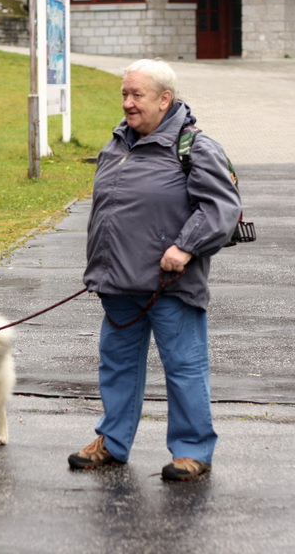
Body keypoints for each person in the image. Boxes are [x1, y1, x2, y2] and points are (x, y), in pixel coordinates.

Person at [69, 59, 242, 481]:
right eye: (124, 94)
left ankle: (192, 451)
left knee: (184, 368)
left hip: (171, 285)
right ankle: (112, 442)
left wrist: (185, 247)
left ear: (165, 99)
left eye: (136, 96)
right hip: (119, 283)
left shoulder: (195, 146)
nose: (127, 103)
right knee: (116, 366)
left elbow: (222, 208)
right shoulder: (117, 144)